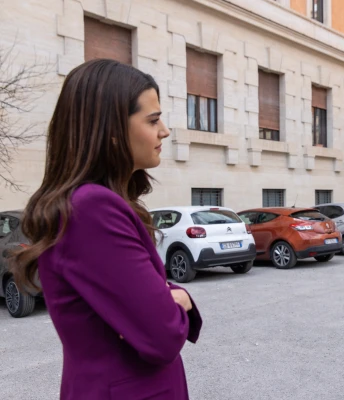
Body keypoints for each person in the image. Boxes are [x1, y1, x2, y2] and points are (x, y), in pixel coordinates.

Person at [10, 59, 202, 399]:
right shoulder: (92, 209)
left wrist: (161, 297)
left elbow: (135, 293)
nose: (165, 131)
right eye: (153, 120)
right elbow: (162, 336)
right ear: (112, 131)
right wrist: (179, 298)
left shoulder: (90, 204)